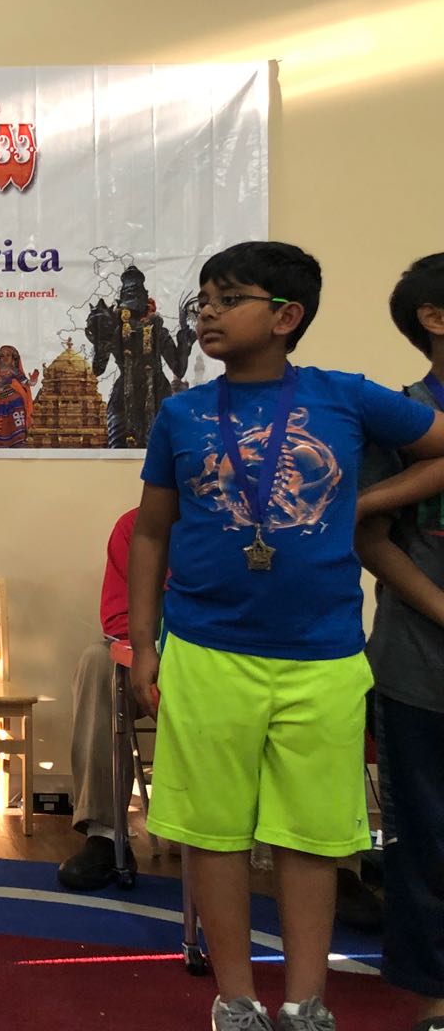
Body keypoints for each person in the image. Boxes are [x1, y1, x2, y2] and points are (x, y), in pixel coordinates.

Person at [128, 241, 444, 1031]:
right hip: (206, 649)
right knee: (216, 834)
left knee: (312, 837)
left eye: (228, 298)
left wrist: (362, 505)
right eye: (203, 298)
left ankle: (307, 1002)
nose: (207, 312)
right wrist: (143, 643)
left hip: (323, 655)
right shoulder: (183, 413)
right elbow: (151, 534)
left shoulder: (347, 397)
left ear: (285, 316)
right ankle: (235, 999)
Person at [354, 252, 444, 1031]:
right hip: (422, 664)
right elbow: (370, 536)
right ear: (433, 319)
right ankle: (434, 992)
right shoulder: (401, 414)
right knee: (427, 835)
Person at [56, 506, 141, 890]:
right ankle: (106, 834)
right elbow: (119, 620)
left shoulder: (246, 523)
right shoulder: (134, 526)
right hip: (151, 655)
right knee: (97, 661)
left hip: (219, 656)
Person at [85, 264, 197, 448]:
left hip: (157, 395)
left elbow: (179, 369)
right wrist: (100, 338)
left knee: (158, 454)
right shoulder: (115, 328)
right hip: (124, 398)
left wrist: (185, 341)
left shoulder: (156, 329)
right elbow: (98, 369)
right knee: (119, 452)